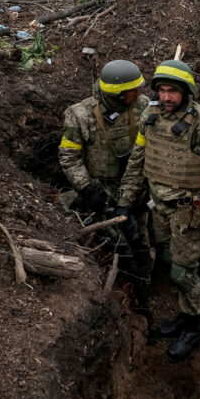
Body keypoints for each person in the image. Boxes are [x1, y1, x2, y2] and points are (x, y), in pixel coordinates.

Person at [116, 59, 200, 361]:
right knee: (170, 262)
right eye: (162, 91)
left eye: (173, 91)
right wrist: (125, 200)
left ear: (186, 92)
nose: (166, 97)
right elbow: (138, 159)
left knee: (183, 273)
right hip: (158, 208)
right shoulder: (150, 115)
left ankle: (194, 326)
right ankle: (184, 316)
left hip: (189, 213)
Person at [58, 60, 152, 280]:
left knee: (141, 239)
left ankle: (145, 278)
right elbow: (69, 157)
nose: (138, 93)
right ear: (117, 94)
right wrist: (87, 190)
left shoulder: (144, 106)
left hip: (137, 186)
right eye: (132, 90)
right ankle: (123, 280)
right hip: (103, 190)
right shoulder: (80, 114)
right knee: (119, 243)